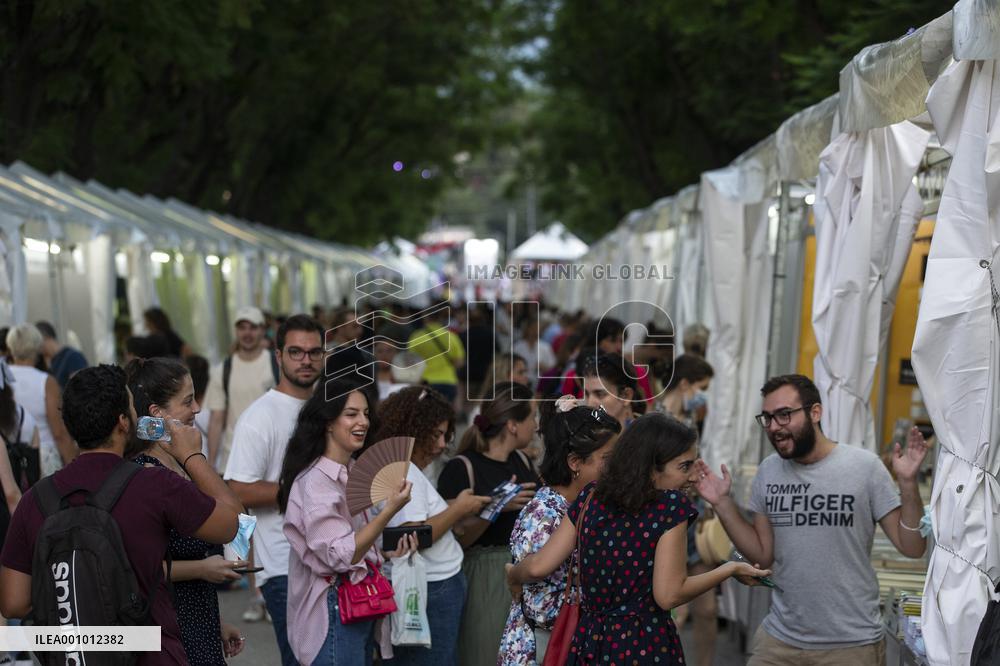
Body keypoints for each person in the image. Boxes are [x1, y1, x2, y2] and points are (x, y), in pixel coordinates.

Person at [0, 364, 240, 664]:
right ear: (124, 422)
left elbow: (13, 604)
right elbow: (235, 525)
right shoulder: (154, 484)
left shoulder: (35, 500)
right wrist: (192, 455)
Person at [696, 374, 929, 665]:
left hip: (850, 645)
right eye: (767, 418)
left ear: (815, 412)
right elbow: (762, 557)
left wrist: (908, 484)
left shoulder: (864, 467)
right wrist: (722, 503)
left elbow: (913, 546)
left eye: (784, 415)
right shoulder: (769, 472)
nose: (774, 427)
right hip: (779, 640)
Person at [506, 412, 769, 666]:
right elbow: (669, 594)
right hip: (642, 643)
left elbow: (538, 564)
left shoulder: (590, 497)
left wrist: (513, 575)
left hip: (590, 642)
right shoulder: (669, 507)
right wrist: (729, 569)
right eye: (684, 466)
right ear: (652, 468)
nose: (692, 476)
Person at [279, 376, 416, 666]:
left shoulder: (352, 471)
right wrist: (390, 510)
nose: (363, 422)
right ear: (328, 421)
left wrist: (385, 552)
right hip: (333, 608)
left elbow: (358, 544)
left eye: (366, 414)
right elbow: (341, 555)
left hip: (357, 602)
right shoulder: (316, 482)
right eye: (351, 414)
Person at [125, 357, 246, 664]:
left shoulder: (184, 468)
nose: (197, 410)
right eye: (188, 401)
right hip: (167, 631)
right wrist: (202, 569)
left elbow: (241, 526)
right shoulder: (145, 476)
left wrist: (215, 624)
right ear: (157, 414)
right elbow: (136, 566)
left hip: (198, 620)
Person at [224, 314, 325, 666]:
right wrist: (307, 489)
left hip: (334, 559)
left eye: (314, 352)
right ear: (278, 355)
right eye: (296, 352)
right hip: (285, 566)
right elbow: (238, 489)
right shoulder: (260, 416)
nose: (306, 359)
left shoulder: (330, 408)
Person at [499, 396, 622, 666]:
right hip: (547, 649)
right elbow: (541, 606)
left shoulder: (584, 505)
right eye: (608, 458)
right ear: (575, 462)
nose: (616, 467)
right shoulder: (544, 514)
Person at [374, 386, 492, 665]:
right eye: (435, 434)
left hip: (434, 584)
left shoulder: (399, 464)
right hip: (430, 587)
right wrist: (459, 509)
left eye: (445, 435)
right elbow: (415, 534)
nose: (441, 445)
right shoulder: (401, 468)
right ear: (412, 429)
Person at [437, 383, 539, 666]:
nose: (536, 425)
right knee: (484, 653)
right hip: (482, 575)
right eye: (532, 417)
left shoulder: (522, 460)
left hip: (523, 570)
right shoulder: (462, 467)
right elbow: (456, 539)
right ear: (513, 425)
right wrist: (495, 507)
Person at [658, 354, 717, 666]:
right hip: (664, 523)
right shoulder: (655, 423)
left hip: (690, 518)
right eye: (701, 388)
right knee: (673, 609)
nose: (703, 396)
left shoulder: (693, 422)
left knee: (707, 610)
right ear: (683, 385)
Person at [204, 306, 277, 471]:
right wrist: (211, 465)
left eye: (253, 327)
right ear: (236, 331)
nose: (247, 333)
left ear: (263, 330)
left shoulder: (277, 365)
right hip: (233, 460)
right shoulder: (223, 369)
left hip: (273, 460)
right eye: (242, 327)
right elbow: (216, 420)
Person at [6, 324, 75, 475]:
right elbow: (59, 432)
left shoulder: (3, 377)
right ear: (37, 348)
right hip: (43, 456)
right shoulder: (46, 382)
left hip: (8, 456)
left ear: (10, 346)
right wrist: (74, 467)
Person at [409, 305, 465, 404]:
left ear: (425, 317)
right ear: (440, 318)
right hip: (449, 381)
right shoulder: (451, 337)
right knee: (445, 413)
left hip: (425, 382)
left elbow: (410, 362)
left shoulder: (416, 337)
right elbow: (459, 362)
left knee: (427, 413)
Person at [580, 352, 646, 427]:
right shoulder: (583, 435)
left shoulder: (651, 436)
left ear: (626, 396)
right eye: (587, 394)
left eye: (600, 394)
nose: (590, 404)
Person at [34, 321, 88, 389]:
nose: (35, 346)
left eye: (35, 342)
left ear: (45, 337)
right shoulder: (43, 362)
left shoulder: (73, 357)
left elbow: (81, 388)